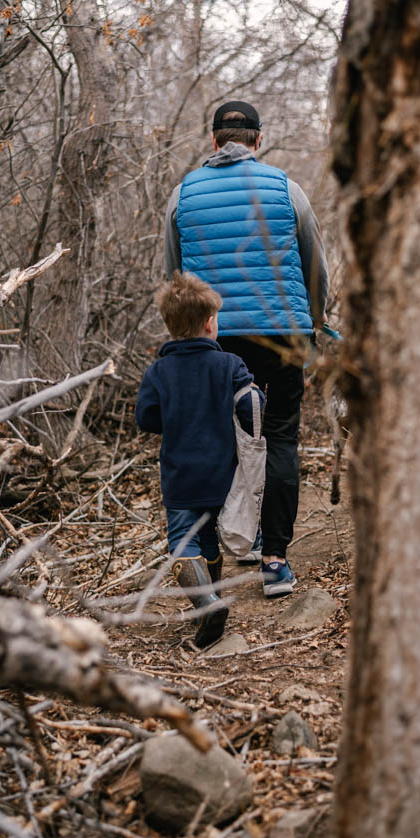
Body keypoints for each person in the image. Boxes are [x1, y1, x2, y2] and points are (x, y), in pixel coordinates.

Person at [164, 100, 329, 597]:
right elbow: (315, 264)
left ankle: (214, 553)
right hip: (282, 333)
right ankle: (275, 562)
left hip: (213, 338)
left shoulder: (182, 194)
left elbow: (175, 278)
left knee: (219, 441)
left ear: (213, 140)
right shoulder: (287, 189)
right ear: (258, 140)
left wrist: (187, 338)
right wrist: (315, 323)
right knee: (278, 439)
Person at [135, 270, 264, 648]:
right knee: (207, 537)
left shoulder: (159, 371)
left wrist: (174, 418)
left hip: (180, 475)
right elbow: (251, 402)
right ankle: (215, 603)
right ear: (211, 323)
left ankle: (207, 605)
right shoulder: (230, 365)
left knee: (182, 541)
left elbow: (146, 418)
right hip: (221, 471)